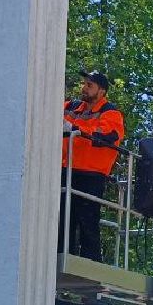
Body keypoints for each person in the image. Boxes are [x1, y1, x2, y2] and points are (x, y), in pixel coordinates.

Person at [59, 70, 125, 261]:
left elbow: (106, 135)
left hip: (91, 175)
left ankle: (91, 262)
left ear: (101, 91)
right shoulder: (71, 107)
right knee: (62, 218)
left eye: (90, 85)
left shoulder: (110, 113)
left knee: (87, 220)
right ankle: (61, 256)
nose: (84, 88)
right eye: (84, 84)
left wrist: (75, 129)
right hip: (65, 170)